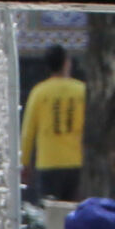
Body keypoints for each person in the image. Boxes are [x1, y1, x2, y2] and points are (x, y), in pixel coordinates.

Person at [19, 43, 87, 201]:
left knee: (50, 211)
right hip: (75, 163)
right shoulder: (81, 90)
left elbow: (28, 131)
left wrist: (24, 163)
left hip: (48, 163)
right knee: (73, 210)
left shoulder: (39, 92)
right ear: (66, 63)